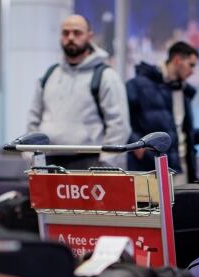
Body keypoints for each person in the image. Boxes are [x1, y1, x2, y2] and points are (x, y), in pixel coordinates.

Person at [26, 14, 130, 169]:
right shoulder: (49, 75)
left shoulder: (106, 76)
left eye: (77, 32)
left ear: (89, 36)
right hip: (49, 162)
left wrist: (105, 164)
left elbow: (119, 126)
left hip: (90, 163)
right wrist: (31, 158)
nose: (71, 37)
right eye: (65, 33)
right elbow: (32, 121)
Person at [126, 41, 199, 182]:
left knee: (181, 204)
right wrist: (136, 146)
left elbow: (183, 130)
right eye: (191, 65)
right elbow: (121, 119)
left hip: (181, 168)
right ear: (177, 60)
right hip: (150, 169)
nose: (193, 71)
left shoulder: (184, 90)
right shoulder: (138, 85)